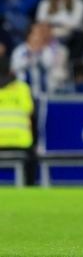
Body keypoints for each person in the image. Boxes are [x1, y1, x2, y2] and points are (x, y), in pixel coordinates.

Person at [0, 54, 35, 185]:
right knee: (33, 159)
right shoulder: (22, 88)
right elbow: (30, 113)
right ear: (10, 71)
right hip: (20, 142)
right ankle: (29, 186)